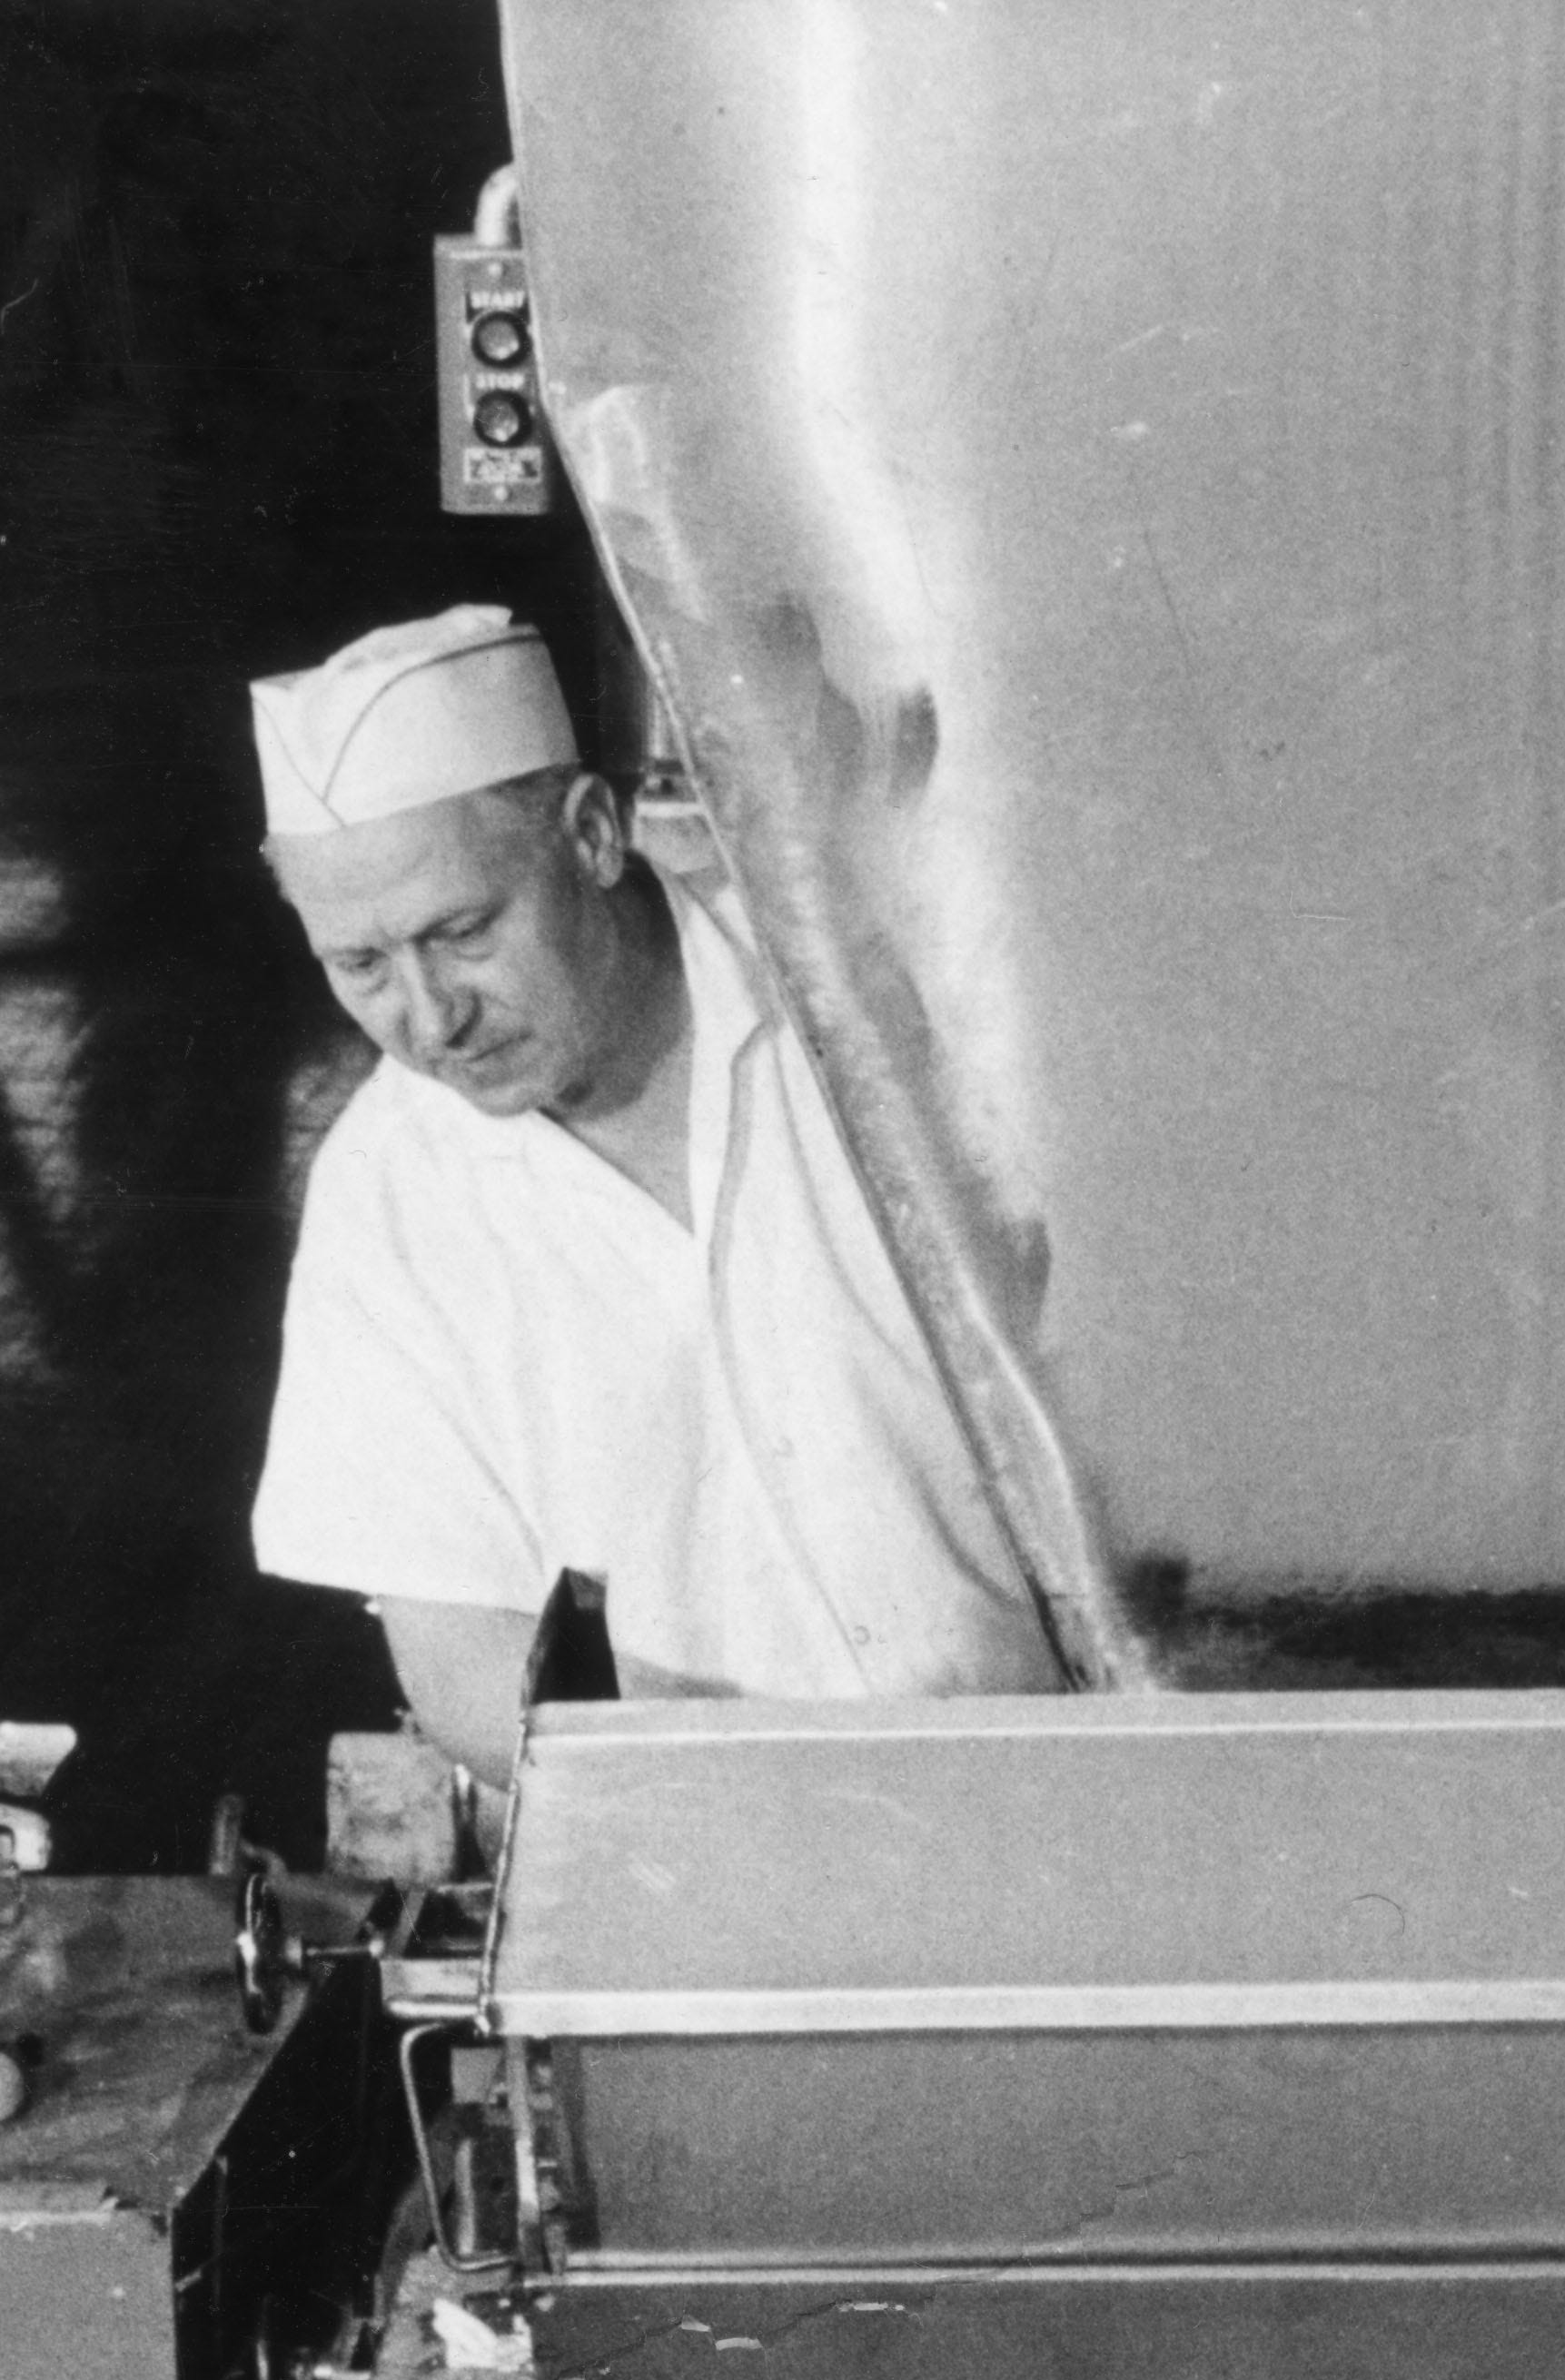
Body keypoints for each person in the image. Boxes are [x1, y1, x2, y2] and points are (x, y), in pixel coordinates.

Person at [241, 604, 1056, 1787]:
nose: (428, 1018)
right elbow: (458, 1642)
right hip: (698, 1849)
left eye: (462, 932)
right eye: (360, 965)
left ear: (589, 836)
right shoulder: (388, 1198)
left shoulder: (877, 1010)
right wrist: (679, 1827)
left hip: (1052, 1787)